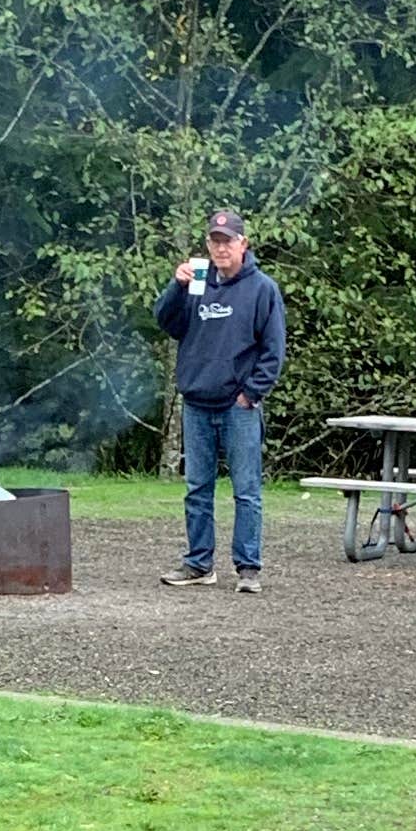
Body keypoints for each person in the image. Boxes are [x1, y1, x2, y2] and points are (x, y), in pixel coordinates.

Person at [154, 209, 287, 592]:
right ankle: (198, 564)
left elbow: (273, 350)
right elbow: (167, 324)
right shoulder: (196, 282)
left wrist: (251, 394)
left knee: (246, 490)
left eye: (227, 240)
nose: (220, 247)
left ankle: (248, 569)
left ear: (243, 244)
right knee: (197, 489)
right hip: (197, 400)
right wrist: (175, 288)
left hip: (238, 405)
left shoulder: (262, 289)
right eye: (215, 240)